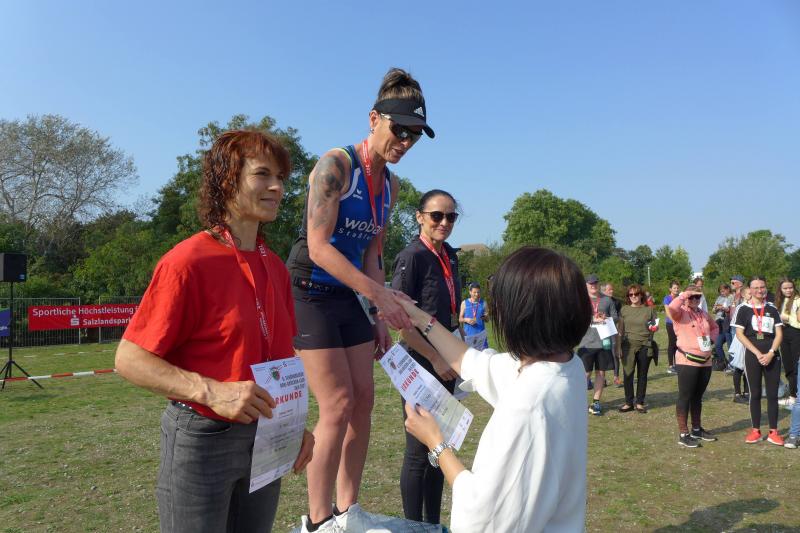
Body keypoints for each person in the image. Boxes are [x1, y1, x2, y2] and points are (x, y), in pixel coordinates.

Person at [115, 130, 314, 533]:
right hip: (203, 438)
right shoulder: (187, 261)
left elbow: (278, 358)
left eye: (280, 177)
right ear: (227, 180)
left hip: (264, 435)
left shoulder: (276, 267)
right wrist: (212, 391)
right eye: (262, 174)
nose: (277, 187)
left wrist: (292, 425)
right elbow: (129, 359)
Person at [285, 67, 433, 533]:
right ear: (374, 119)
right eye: (399, 129)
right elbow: (318, 246)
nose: (405, 141)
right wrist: (379, 296)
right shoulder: (337, 165)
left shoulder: (390, 185)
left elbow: (373, 255)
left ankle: (348, 510)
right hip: (310, 289)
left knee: (364, 400)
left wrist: (379, 317)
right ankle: (318, 520)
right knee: (338, 403)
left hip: (351, 294)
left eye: (415, 134)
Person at [392, 246, 591, 532]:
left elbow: (482, 518)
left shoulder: (529, 404)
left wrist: (436, 443)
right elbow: (471, 362)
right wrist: (420, 318)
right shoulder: (568, 366)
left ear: (521, 315)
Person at [391, 189, 461, 525]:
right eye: (436, 215)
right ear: (419, 217)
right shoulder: (412, 257)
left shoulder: (450, 256)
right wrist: (435, 358)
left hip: (447, 363)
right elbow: (403, 326)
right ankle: (412, 526)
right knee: (419, 451)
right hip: (421, 364)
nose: (444, 222)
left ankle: (432, 524)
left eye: (451, 216)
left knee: (440, 447)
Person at [734, 276, 785, 445]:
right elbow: (740, 334)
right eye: (755, 287)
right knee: (754, 393)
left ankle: (773, 432)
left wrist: (771, 353)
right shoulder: (743, 309)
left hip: (772, 356)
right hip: (752, 355)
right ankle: (755, 430)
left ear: (766, 288)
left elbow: (779, 334)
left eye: (762, 287)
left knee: (772, 394)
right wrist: (757, 353)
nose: (759, 290)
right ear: (750, 289)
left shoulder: (772, 308)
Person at [668, 284, 720, 447]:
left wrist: (712, 340)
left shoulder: (703, 313)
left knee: (698, 396)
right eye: (692, 297)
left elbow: (715, 327)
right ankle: (683, 433)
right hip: (687, 360)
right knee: (685, 396)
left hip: (706, 361)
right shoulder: (680, 313)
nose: (695, 299)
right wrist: (684, 295)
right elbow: (671, 307)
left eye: (698, 296)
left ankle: (696, 429)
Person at [577, 274, 618, 415]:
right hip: (586, 343)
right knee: (585, 374)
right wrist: (592, 319)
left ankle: (596, 403)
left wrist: (606, 318)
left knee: (601, 372)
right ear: (586, 285)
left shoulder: (607, 300)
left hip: (603, 342)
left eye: (595, 283)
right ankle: (579, 401)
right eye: (590, 283)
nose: (593, 285)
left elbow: (616, 317)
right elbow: (576, 317)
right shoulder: (581, 300)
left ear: (598, 284)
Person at [617, 284, 658, 413]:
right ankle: (628, 402)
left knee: (642, 375)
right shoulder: (624, 310)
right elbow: (620, 330)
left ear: (641, 295)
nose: (633, 296)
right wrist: (618, 347)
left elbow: (654, 326)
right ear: (628, 296)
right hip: (627, 346)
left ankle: (639, 402)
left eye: (636, 294)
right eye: (631, 294)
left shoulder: (649, 310)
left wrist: (654, 328)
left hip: (645, 345)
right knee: (628, 374)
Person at [776, 277, 800, 408]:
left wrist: (787, 318)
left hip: (796, 335)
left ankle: (795, 397)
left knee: (796, 366)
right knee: (788, 366)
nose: (788, 290)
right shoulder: (780, 300)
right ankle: (792, 395)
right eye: (785, 288)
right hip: (783, 335)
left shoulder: (798, 300)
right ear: (780, 289)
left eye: (790, 287)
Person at [602, 283, 623, 386]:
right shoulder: (599, 301)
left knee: (615, 354)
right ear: (603, 291)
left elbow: (620, 318)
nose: (612, 291)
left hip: (612, 331)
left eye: (612, 289)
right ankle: (603, 379)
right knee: (602, 354)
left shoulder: (617, 302)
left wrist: (619, 330)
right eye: (609, 290)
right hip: (601, 332)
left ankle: (616, 378)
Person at [460, 282, 489, 349]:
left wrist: (486, 317)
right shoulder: (464, 303)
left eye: (478, 292)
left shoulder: (484, 303)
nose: (476, 294)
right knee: (469, 354)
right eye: (474, 292)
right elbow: (460, 319)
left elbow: (487, 320)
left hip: (481, 337)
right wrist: (466, 320)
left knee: (483, 354)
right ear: (470, 292)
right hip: (469, 336)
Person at [712, 283, 735, 367]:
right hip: (719, 323)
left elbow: (731, 309)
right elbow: (713, 310)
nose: (722, 293)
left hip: (727, 322)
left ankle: (732, 364)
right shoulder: (719, 298)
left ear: (728, 289)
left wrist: (724, 308)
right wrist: (716, 308)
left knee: (730, 344)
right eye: (721, 291)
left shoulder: (731, 297)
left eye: (723, 291)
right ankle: (724, 362)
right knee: (717, 344)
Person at [663, 280, 681, 375]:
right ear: (670, 289)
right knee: (672, 343)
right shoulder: (667, 298)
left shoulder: (680, 298)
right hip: (670, 324)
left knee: (679, 344)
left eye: (677, 288)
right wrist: (674, 321)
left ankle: (678, 364)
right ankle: (671, 366)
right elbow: (667, 312)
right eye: (674, 288)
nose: (676, 289)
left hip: (680, 324)